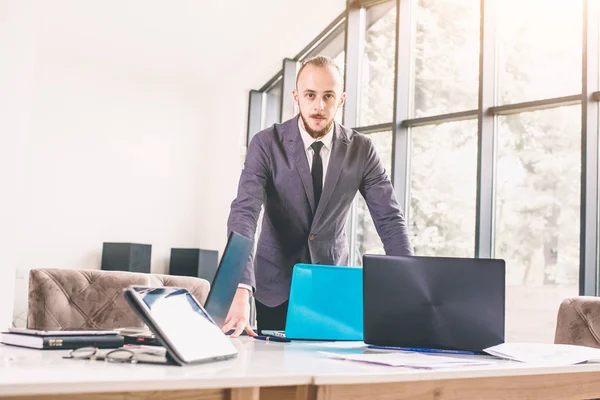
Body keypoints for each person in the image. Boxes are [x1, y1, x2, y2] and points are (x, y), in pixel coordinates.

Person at [222, 55, 413, 337]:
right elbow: (244, 213)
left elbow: (389, 219)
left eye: (328, 96)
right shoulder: (266, 143)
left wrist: (409, 281)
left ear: (342, 99)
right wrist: (239, 288)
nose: (319, 106)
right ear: (296, 97)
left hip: (331, 286)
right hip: (275, 286)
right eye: (310, 95)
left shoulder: (362, 149)